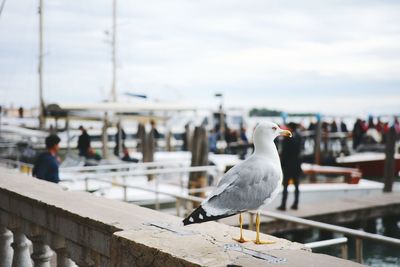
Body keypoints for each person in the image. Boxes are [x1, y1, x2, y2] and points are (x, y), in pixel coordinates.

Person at [277, 122, 302, 211]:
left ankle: (283, 205)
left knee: (286, 186)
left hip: (288, 165)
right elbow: (300, 151)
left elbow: (284, 153)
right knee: (296, 185)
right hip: (297, 164)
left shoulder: (287, 138)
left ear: (290, 128)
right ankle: (296, 204)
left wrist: (281, 165)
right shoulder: (299, 137)